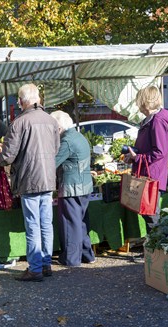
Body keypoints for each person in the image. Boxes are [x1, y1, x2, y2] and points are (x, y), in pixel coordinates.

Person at [0, 84, 61, 282]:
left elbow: (8, 156)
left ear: (21, 102)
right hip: (48, 178)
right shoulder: (50, 120)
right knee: (46, 223)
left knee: (33, 225)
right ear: (38, 99)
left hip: (29, 178)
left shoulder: (19, 122)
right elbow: (55, 149)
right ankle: (46, 263)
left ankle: (35, 268)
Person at [51, 110, 96, 267]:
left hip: (72, 186)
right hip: (84, 185)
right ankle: (86, 255)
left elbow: (52, 163)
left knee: (70, 223)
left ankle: (71, 259)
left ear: (58, 127)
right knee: (81, 222)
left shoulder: (67, 141)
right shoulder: (78, 136)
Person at [124, 85, 168, 229]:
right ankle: (153, 249)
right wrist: (133, 154)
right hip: (147, 173)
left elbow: (159, 151)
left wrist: (137, 157)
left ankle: (159, 249)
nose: (137, 104)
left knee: (151, 216)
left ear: (145, 101)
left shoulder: (157, 121)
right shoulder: (151, 120)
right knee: (148, 214)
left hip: (152, 176)